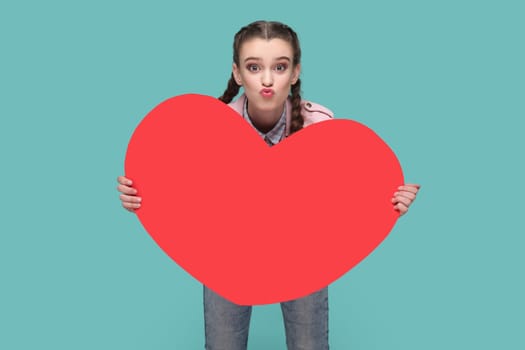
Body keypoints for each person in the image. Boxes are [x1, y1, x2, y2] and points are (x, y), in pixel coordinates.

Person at [116, 20, 420, 350]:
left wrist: (385, 204)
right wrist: (142, 193)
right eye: (253, 66)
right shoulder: (207, 128)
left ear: (295, 73)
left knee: (309, 344)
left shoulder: (321, 127)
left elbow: (341, 200)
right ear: (236, 73)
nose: (266, 79)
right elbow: (183, 192)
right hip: (223, 252)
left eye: (279, 66)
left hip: (305, 252)